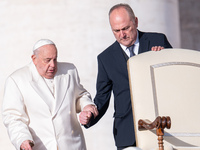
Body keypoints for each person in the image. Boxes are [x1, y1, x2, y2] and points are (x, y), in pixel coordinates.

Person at [79, 3, 172, 150]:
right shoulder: (105, 58)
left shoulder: (158, 41)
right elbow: (102, 97)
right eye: (116, 31)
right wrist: (89, 116)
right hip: (127, 133)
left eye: (126, 28)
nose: (122, 35)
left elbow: (174, 78)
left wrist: (164, 58)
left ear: (135, 21)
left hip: (163, 128)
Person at [2, 39, 98, 150]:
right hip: (40, 146)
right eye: (47, 60)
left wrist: (87, 106)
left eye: (55, 59)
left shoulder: (69, 71)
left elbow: (81, 95)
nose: (53, 65)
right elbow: (13, 117)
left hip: (72, 145)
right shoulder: (16, 80)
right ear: (34, 59)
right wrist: (22, 139)